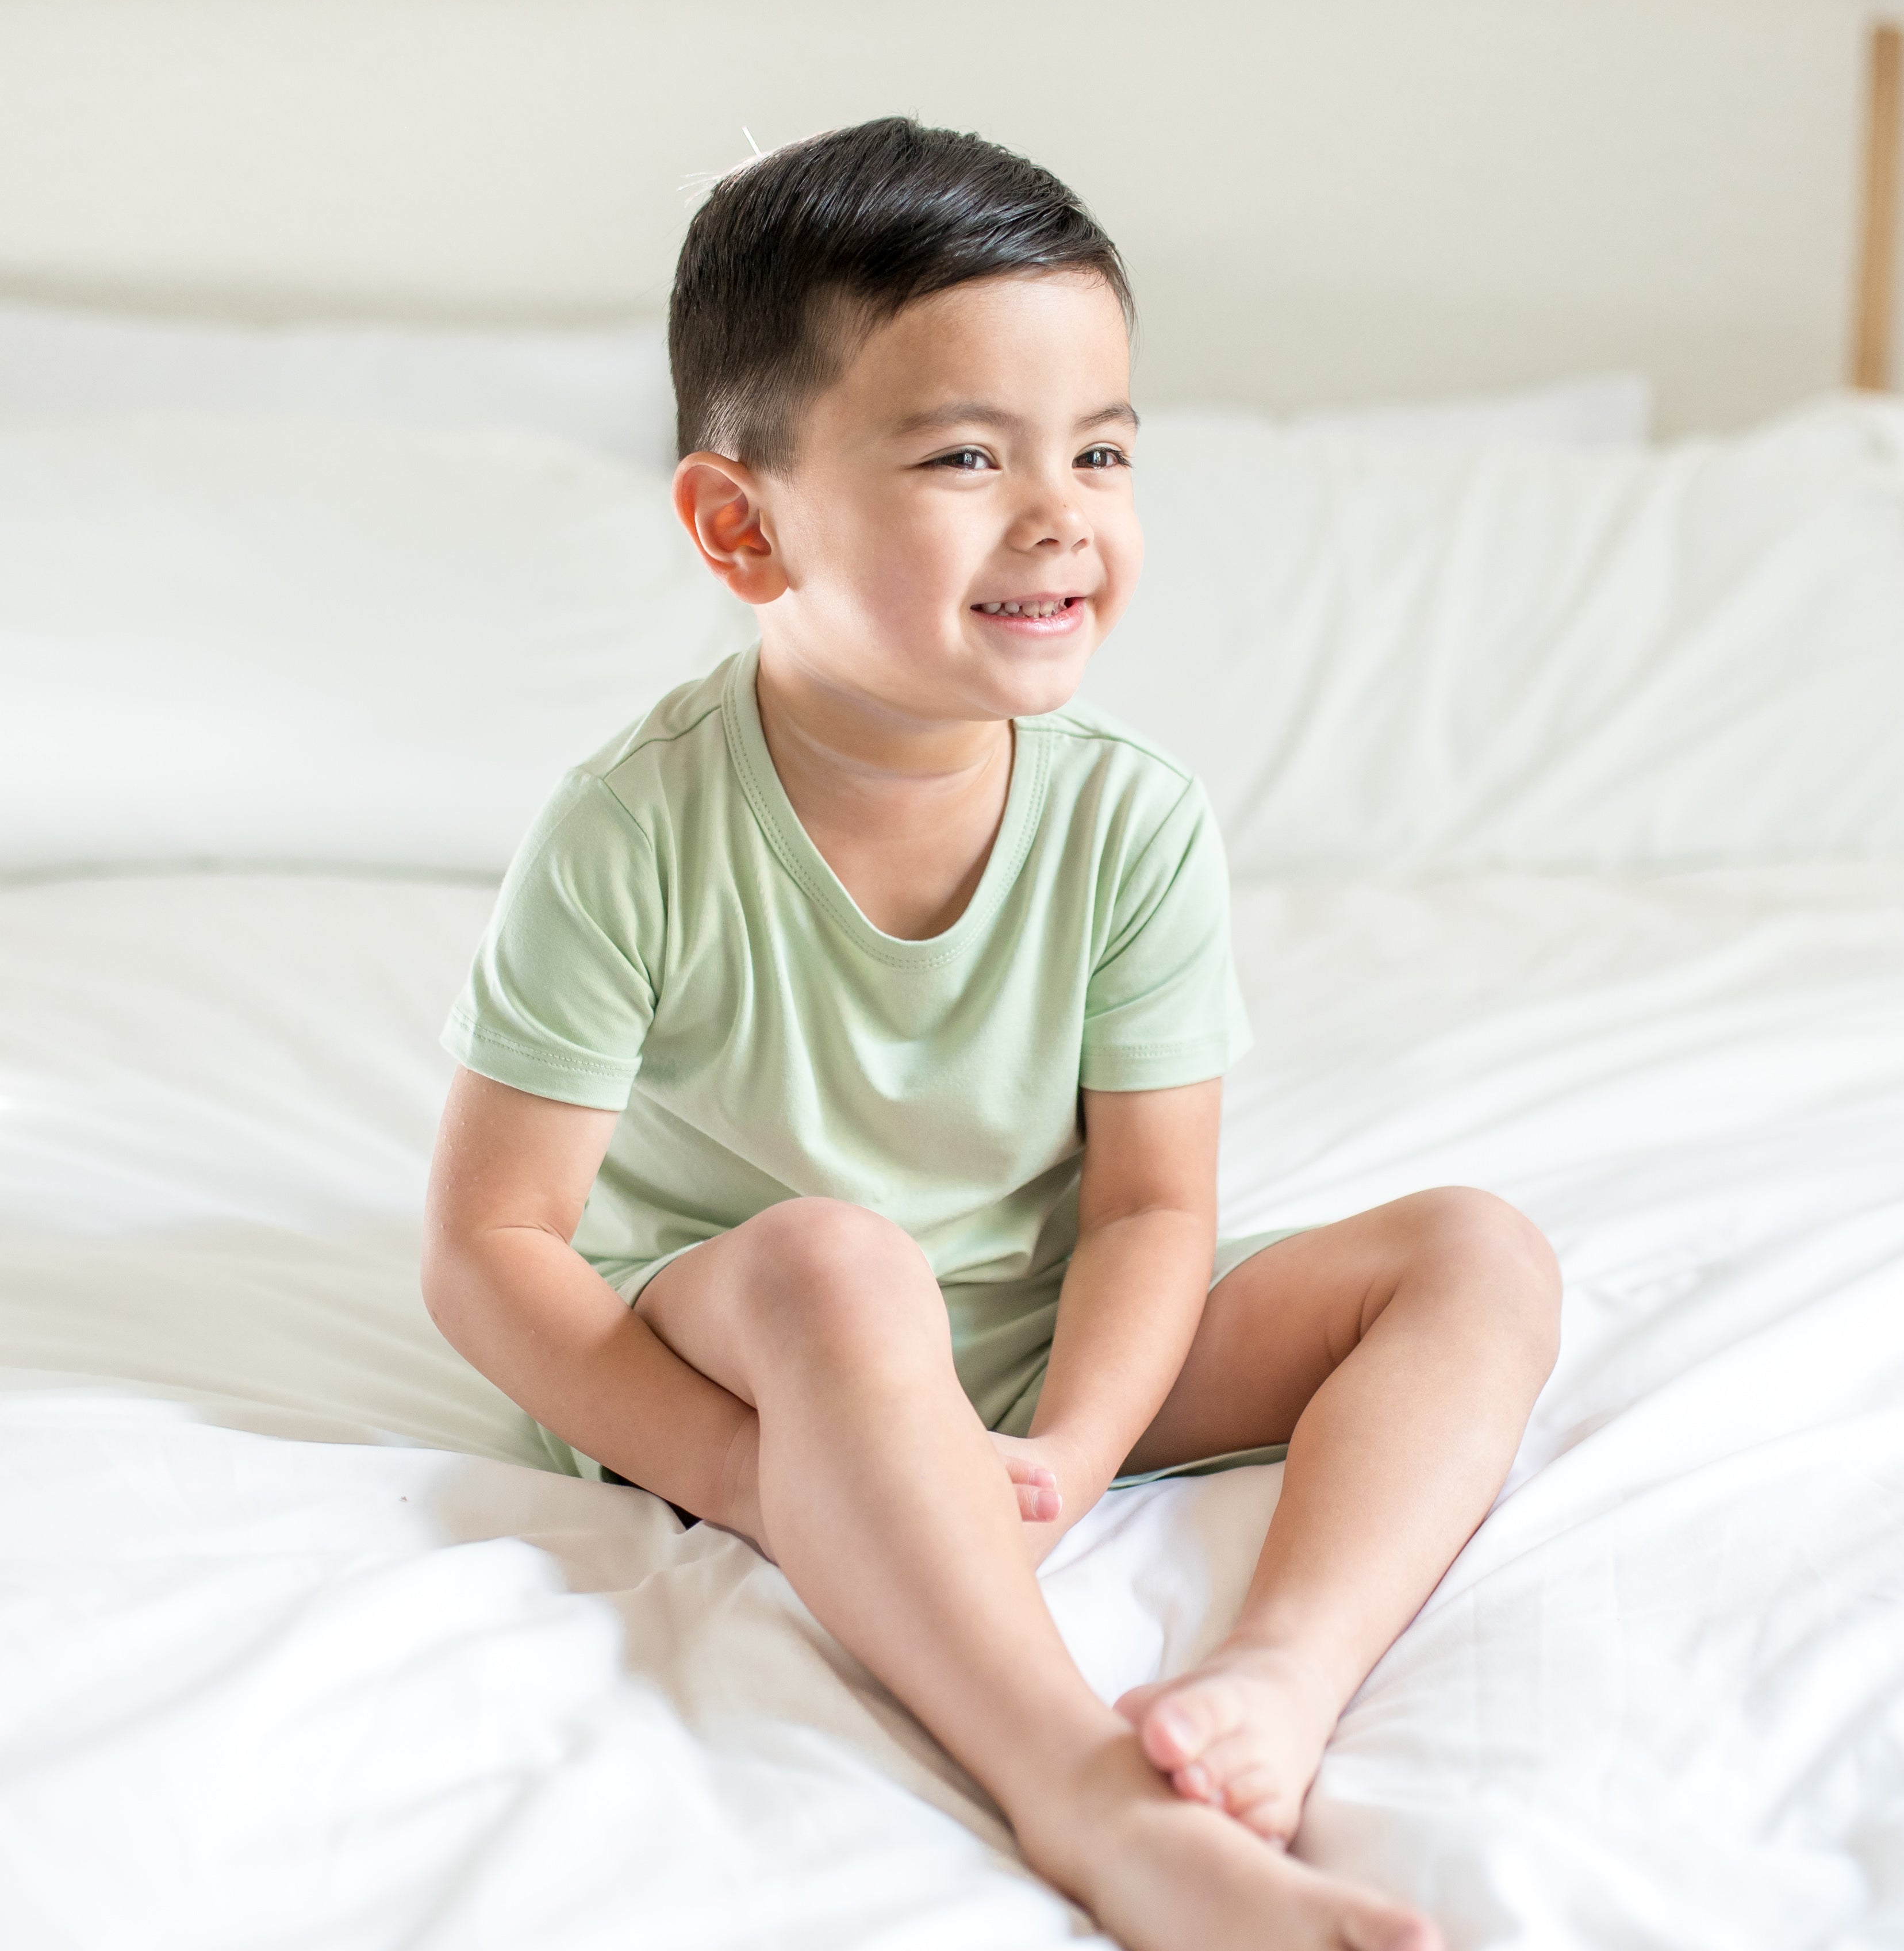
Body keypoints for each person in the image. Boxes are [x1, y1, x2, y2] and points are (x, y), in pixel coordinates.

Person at [422, 117, 1560, 1951]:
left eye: (1100, 450)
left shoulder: (1135, 818)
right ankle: (1091, 1806)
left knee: (1476, 1257)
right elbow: (491, 1252)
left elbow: (1148, 1215)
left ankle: (1277, 1682)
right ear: (741, 524)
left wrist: (1080, 1450)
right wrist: (738, 1473)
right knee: (838, 1260)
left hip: (1035, 1340)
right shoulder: (632, 826)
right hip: (750, 1345)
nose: (1062, 516)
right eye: (966, 454)